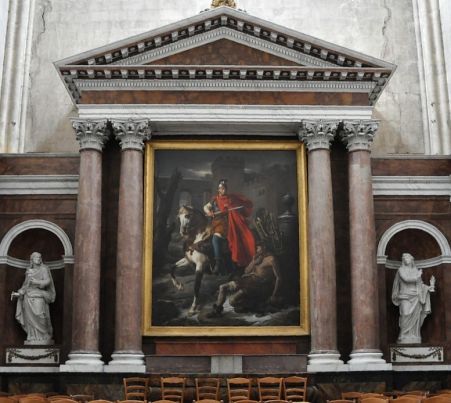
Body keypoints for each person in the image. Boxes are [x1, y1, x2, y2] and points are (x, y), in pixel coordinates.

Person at [209, 243, 281, 316]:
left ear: (264, 247)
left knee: (232, 301)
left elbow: (279, 278)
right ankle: (217, 311)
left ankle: (255, 306)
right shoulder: (258, 257)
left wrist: (274, 295)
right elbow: (246, 271)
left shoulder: (271, 259)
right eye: (257, 248)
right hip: (247, 280)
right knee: (222, 287)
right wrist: (253, 261)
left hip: (258, 285)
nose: (257, 250)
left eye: (258, 248)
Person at [204, 179, 255, 273]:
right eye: (222, 189)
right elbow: (206, 207)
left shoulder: (231, 198)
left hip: (228, 222)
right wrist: (209, 212)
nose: (224, 190)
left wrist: (230, 209)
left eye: (225, 189)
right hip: (217, 221)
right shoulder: (215, 199)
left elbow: (238, 206)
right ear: (218, 190)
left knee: (216, 238)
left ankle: (218, 263)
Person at [11, 252, 56, 345]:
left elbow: (48, 281)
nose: (39, 259)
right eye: (36, 257)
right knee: (30, 320)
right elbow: (26, 285)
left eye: (40, 257)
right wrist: (20, 292)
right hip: (28, 296)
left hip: (39, 295)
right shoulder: (29, 270)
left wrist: (37, 281)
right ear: (32, 259)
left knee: (41, 315)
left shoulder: (44, 269)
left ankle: (44, 335)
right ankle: (32, 336)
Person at [391, 253, 436, 344]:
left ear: (412, 259)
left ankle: (414, 336)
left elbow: (419, 284)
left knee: (416, 318)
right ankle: (403, 336)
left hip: (416, 296)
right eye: (404, 258)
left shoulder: (415, 270)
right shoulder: (401, 270)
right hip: (405, 296)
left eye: (407, 257)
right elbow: (406, 279)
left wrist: (429, 288)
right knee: (405, 314)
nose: (405, 259)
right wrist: (417, 276)